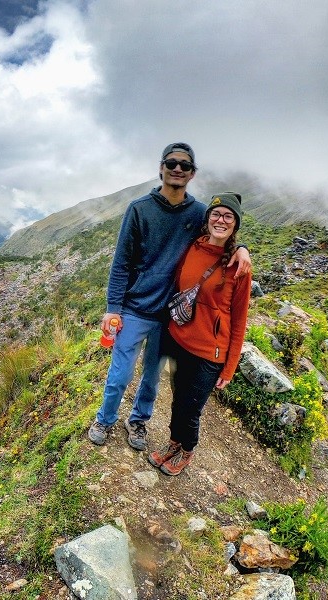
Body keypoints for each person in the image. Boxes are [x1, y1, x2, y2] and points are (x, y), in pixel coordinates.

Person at [87, 143, 251, 449]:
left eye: (184, 166)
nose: (177, 169)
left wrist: (243, 249)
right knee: (120, 375)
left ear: (192, 174)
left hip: (169, 316)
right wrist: (113, 308)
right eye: (172, 163)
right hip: (135, 309)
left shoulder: (200, 212)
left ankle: (137, 422)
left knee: (151, 378)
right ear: (161, 168)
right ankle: (105, 419)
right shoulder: (139, 209)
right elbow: (121, 261)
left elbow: (225, 231)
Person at [148, 192, 251, 476]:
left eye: (228, 216)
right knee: (177, 398)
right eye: (216, 214)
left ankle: (187, 451)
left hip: (209, 352)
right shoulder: (194, 246)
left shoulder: (240, 267)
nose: (221, 220)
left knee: (191, 408)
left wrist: (229, 368)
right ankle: (173, 444)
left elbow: (240, 320)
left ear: (235, 225)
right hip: (179, 339)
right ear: (207, 219)